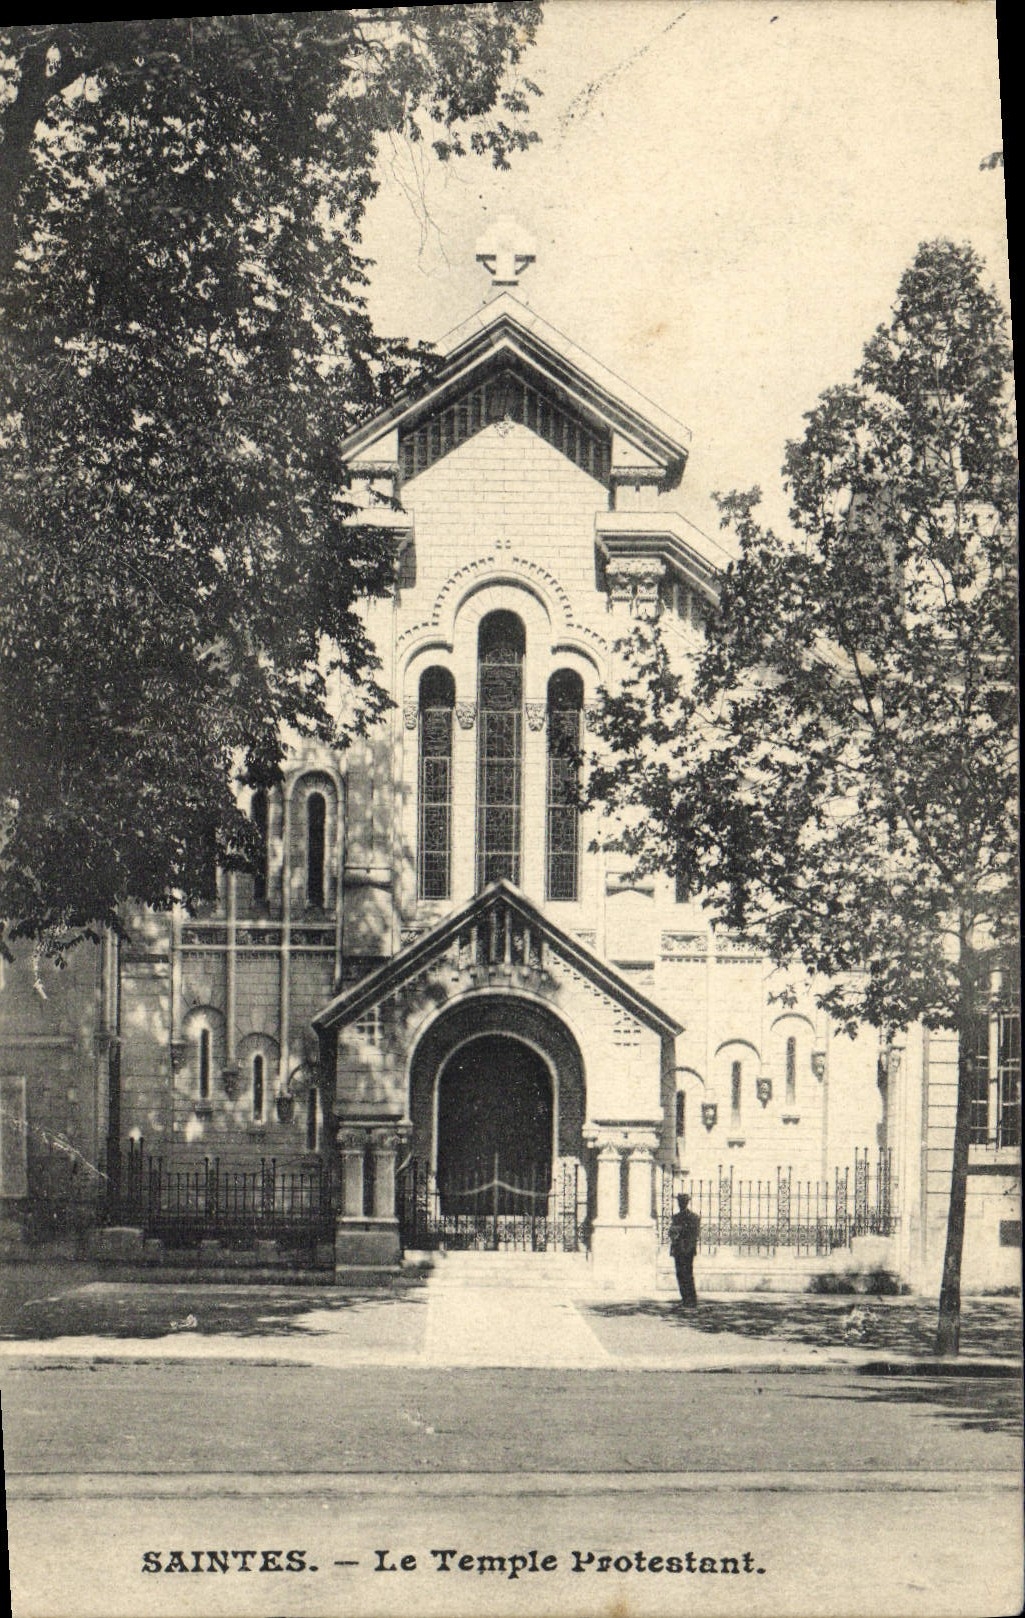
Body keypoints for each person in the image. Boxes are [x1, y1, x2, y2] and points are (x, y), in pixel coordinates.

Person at [668, 1192, 700, 1307]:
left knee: (687, 1274)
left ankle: (691, 1299)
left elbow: (695, 1235)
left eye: (682, 1202)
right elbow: (671, 1232)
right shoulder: (676, 1217)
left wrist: (680, 1232)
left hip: (686, 1250)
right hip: (680, 1250)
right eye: (679, 1202)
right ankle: (685, 1298)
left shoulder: (694, 1218)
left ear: (686, 1203)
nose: (680, 1204)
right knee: (680, 1274)